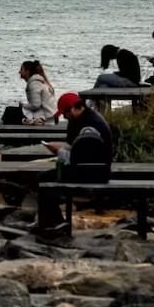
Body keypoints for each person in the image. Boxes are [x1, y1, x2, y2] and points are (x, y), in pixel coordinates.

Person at [35, 92, 114, 236]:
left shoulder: (91, 126)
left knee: (44, 179)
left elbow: (81, 158)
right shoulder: (80, 120)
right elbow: (76, 148)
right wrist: (60, 147)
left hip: (93, 172)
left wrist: (59, 152)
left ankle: (54, 222)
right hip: (90, 168)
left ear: (72, 109)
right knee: (45, 178)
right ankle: (51, 220)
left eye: (65, 114)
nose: (65, 118)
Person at [1, 60, 58, 126]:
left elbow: (36, 105)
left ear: (27, 71)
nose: (19, 72)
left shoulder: (34, 84)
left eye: (22, 69)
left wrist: (23, 106)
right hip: (49, 115)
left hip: (46, 117)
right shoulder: (39, 82)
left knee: (9, 112)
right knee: (10, 112)